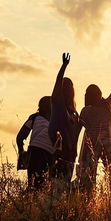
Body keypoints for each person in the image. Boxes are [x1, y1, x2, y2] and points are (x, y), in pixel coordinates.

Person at [77, 65, 111, 193]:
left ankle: (88, 197)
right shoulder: (107, 105)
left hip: (90, 146)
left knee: (88, 176)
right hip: (107, 144)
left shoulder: (86, 110)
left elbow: (78, 129)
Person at [49, 53, 81, 188]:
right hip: (64, 156)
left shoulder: (70, 111)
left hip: (64, 156)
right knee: (60, 187)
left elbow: (75, 135)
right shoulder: (65, 110)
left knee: (61, 188)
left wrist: (63, 66)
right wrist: (63, 66)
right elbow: (57, 85)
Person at [17, 96, 54, 190]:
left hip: (34, 151)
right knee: (44, 185)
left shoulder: (34, 118)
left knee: (32, 184)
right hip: (49, 153)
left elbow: (20, 136)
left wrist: (21, 152)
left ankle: (27, 201)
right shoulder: (56, 120)